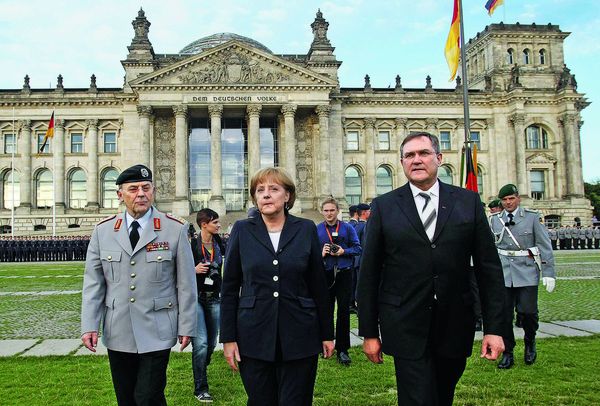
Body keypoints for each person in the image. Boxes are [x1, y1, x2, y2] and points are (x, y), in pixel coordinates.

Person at [357, 132, 506, 406]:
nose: (416, 160)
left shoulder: (467, 202)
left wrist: (495, 329)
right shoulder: (384, 206)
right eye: (409, 155)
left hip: (454, 322)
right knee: (418, 398)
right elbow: (369, 273)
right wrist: (369, 332)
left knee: (443, 395)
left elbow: (489, 269)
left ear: (439, 158)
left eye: (423, 153)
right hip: (405, 323)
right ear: (402, 163)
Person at [81, 164, 197, 406]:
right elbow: (94, 283)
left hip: (157, 328)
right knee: (126, 398)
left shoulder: (174, 229)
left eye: (146, 188)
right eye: (133, 189)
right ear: (120, 195)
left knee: (147, 396)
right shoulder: (103, 231)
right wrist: (89, 325)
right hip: (118, 329)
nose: (141, 194)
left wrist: (187, 326)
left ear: (153, 191)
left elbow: (186, 285)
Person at [220, 167, 334, 406]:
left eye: (274, 189)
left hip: (300, 333)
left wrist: (326, 333)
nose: (266, 195)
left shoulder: (305, 229)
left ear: (287, 196)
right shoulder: (242, 230)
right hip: (253, 335)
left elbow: (318, 285)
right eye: (260, 190)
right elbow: (230, 289)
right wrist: (228, 338)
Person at [490, 184, 556, 369]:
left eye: (511, 198)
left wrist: (548, 273)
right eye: (504, 200)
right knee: (504, 315)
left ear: (518, 198)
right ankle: (508, 352)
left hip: (527, 272)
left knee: (527, 312)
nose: (508, 202)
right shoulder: (495, 220)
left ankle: (530, 342)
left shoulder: (532, 218)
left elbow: (544, 246)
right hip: (503, 273)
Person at [317, 197, 362, 366]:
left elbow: (358, 249)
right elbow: (310, 252)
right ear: (322, 212)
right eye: (326, 210)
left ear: (337, 211)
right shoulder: (317, 229)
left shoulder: (348, 228)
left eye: (332, 210)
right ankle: (325, 344)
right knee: (325, 310)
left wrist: (343, 251)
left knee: (343, 311)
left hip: (344, 272)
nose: (329, 213)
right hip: (326, 273)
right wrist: (320, 254)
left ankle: (343, 349)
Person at [189, 208, 225, 402]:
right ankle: (200, 388)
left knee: (211, 343)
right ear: (204, 224)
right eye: (216, 222)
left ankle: (201, 365)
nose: (219, 225)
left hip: (215, 297)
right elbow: (176, 270)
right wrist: (192, 269)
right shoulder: (191, 244)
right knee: (201, 343)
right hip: (196, 298)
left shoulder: (219, 242)